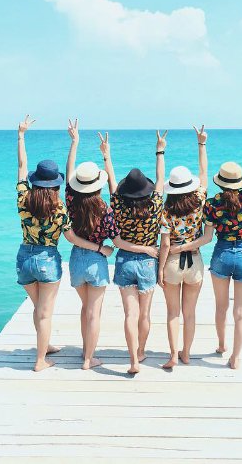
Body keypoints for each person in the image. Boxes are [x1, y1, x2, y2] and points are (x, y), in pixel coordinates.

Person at [15, 115, 112, 372]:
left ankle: (44, 345)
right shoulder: (59, 208)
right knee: (45, 312)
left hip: (24, 257)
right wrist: (99, 248)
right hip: (47, 260)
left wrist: (21, 136)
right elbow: (70, 237)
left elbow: (22, 167)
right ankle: (40, 360)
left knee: (39, 309)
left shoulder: (23, 199)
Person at [65, 120, 159, 370]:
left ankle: (86, 351)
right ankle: (99, 358)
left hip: (76, 259)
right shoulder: (106, 210)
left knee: (86, 309)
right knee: (99, 313)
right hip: (100, 262)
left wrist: (75, 143)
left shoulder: (72, 202)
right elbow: (116, 241)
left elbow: (71, 175)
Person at [180, 116, 242, 369]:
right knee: (241, 312)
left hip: (221, 253)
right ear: (239, 181)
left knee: (221, 307)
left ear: (220, 181)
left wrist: (182, 247)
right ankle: (235, 358)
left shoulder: (212, 204)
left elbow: (207, 237)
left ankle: (221, 345)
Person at [103, 130, 167, 374]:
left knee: (130, 314)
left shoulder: (118, 205)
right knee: (145, 314)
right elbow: (160, 177)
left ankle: (133, 361)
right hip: (149, 262)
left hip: (125, 262)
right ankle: (141, 351)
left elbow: (111, 181)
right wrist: (160, 150)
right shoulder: (156, 203)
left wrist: (106, 155)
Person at [157, 125, 208, 369]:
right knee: (190, 313)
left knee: (172, 313)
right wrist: (201, 144)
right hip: (194, 260)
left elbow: (165, 244)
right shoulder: (199, 200)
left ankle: (173, 356)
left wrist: (159, 269)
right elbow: (204, 172)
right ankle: (186, 353)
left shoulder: (166, 210)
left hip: (172, 263)